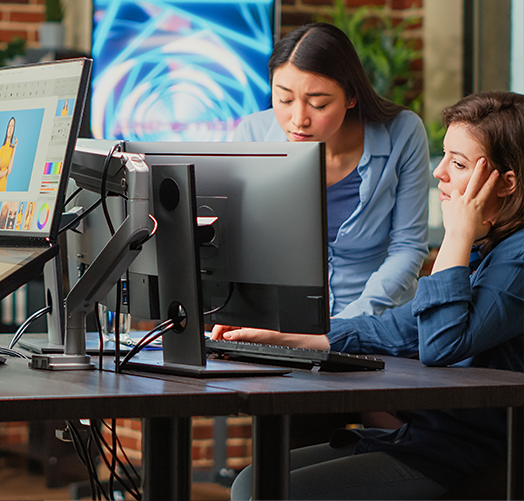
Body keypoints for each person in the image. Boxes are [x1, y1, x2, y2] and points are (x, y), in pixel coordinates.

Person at [217, 91, 523, 500]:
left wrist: (457, 233)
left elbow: (441, 343)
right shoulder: (489, 246)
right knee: (251, 481)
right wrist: (284, 335)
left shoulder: (515, 256)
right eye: (445, 156)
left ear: (505, 182)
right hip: (424, 439)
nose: (440, 173)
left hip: (470, 456)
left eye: (459, 163)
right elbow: (398, 327)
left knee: (275, 489)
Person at [234, 22, 430, 318]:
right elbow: (242, 245)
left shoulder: (403, 133)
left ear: (352, 97)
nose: (298, 119)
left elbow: (408, 247)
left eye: (318, 104)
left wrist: (348, 325)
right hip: (281, 324)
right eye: (284, 99)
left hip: (377, 326)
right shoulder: (253, 134)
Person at [0, 117, 18, 191]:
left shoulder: (12, 148)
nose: (10, 128)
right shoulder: (2, 148)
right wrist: (5, 171)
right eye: (9, 126)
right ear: (7, 128)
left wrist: (15, 146)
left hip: (3, 187)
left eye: (12, 126)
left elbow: (9, 171)